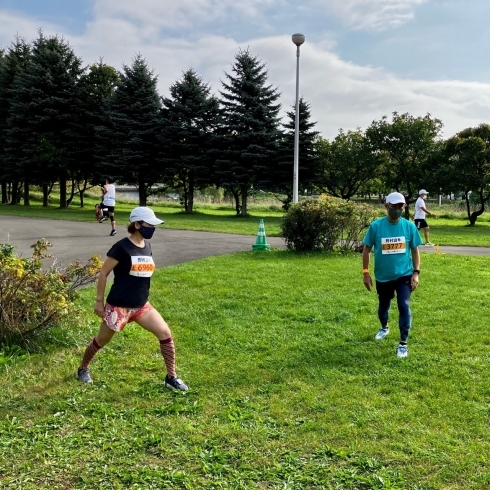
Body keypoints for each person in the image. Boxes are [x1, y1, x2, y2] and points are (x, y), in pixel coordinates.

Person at [77, 206, 188, 391]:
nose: (152, 228)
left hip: (141, 305)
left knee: (165, 333)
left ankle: (171, 376)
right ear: (136, 224)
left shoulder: (147, 246)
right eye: (149, 224)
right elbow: (103, 273)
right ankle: (83, 368)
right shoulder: (121, 247)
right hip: (119, 306)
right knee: (101, 340)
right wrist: (99, 302)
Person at [362, 192, 422, 358]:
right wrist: (365, 272)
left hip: (404, 275)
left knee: (404, 305)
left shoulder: (409, 227)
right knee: (383, 307)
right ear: (386, 206)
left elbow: (415, 251)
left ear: (404, 207)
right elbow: (366, 249)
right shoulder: (376, 226)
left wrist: (416, 273)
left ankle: (403, 343)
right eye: (393, 206)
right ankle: (384, 327)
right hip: (383, 276)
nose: (397, 209)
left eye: (400, 206)